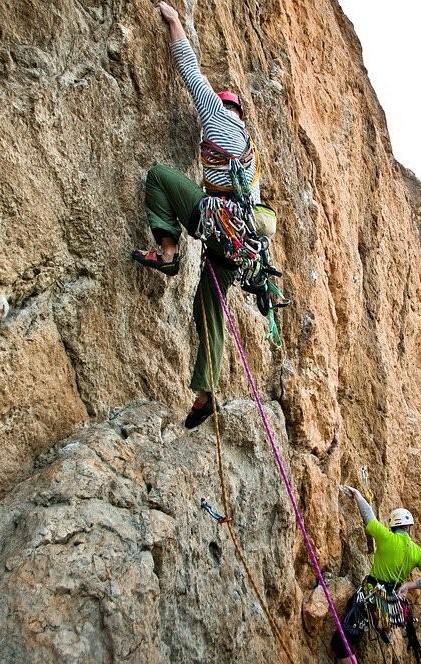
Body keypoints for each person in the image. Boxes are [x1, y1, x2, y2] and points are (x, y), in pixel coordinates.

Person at [132, 0, 273, 428]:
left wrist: (174, 21)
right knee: (208, 304)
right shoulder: (247, 150)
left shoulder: (215, 117)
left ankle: (168, 253)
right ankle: (207, 391)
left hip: (216, 223)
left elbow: (190, 70)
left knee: (158, 177)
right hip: (237, 247)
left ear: (222, 107)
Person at [333, 485, 421, 663]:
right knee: (354, 629)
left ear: (392, 526)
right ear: (409, 528)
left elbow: (368, 516)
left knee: (340, 643)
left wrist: (358, 495)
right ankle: (382, 627)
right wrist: (408, 585)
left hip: (371, 596)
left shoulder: (386, 537)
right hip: (391, 602)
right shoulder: (416, 551)